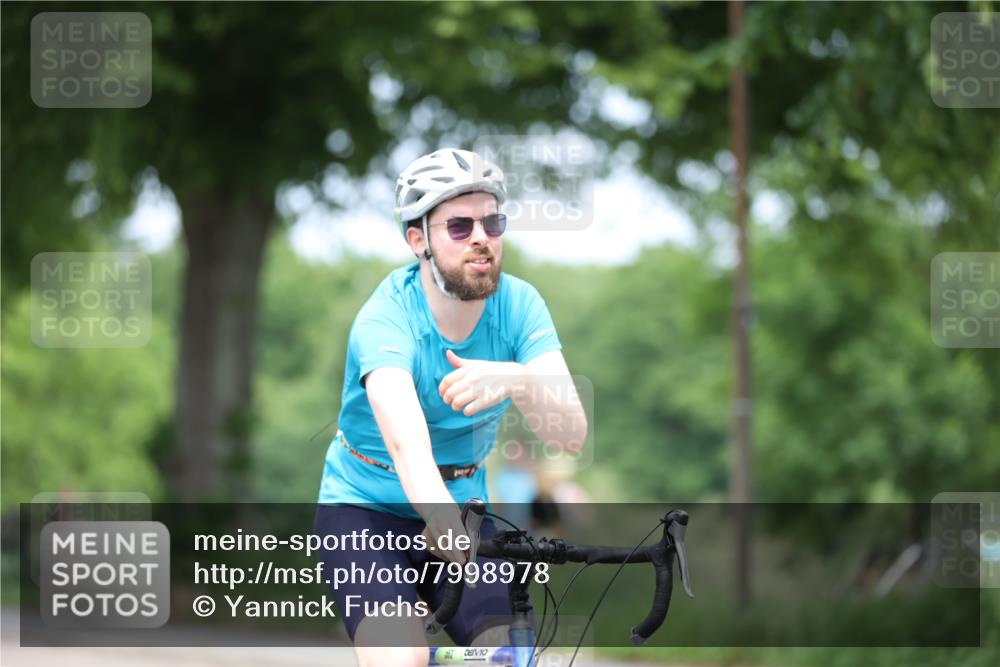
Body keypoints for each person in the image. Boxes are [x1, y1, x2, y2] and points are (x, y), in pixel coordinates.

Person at [314, 148, 587, 667]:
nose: (481, 237)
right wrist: (440, 518)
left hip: (466, 506)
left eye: (492, 221)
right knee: (404, 660)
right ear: (418, 239)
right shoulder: (385, 319)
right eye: (459, 227)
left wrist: (519, 378)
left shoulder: (521, 305)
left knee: (506, 657)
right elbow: (407, 444)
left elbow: (571, 434)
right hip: (362, 511)